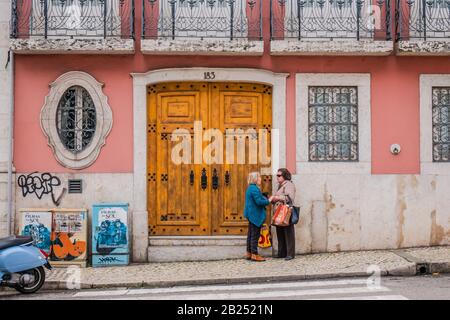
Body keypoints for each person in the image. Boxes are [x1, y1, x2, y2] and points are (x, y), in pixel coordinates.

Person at [244, 172, 272, 262]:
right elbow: (259, 202)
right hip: (254, 215)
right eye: (259, 178)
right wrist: (269, 200)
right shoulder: (254, 189)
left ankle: (249, 253)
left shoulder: (250, 188)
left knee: (251, 235)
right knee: (255, 235)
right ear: (255, 179)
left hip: (251, 214)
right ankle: (255, 255)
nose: (260, 179)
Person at [271, 168, 296, 261]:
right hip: (279, 213)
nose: (277, 177)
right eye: (276, 175)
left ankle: (290, 254)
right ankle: (281, 253)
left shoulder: (289, 184)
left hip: (286, 212)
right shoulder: (279, 185)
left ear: (285, 176)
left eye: (279, 175)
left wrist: (277, 198)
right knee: (280, 232)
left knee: (288, 233)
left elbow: (290, 197)